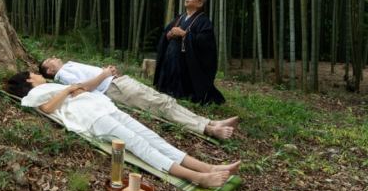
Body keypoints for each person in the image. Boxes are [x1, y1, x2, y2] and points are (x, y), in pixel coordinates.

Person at [7, 71, 241, 188]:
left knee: (154, 139)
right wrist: (68, 90)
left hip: (105, 109)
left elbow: (74, 91)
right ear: (29, 80)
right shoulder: (35, 92)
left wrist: (75, 89)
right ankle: (198, 178)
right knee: (143, 147)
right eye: (34, 73)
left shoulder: (49, 85)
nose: (38, 74)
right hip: (94, 119)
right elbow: (47, 108)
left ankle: (209, 167)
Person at [39, 57, 237, 139]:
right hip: (115, 89)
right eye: (51, 59)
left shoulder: (66, 68)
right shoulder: (62, 74)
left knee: (165, 101)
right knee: (161, 105)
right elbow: (83, 88)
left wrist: (107, 72)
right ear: (50, 69)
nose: (55, 57)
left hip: (117, 83)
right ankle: (207, 129)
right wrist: (106, 74)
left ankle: (210, 122)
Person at [154, 0, 225, 104]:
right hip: (171, 58)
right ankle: (167, 89)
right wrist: (169, 34)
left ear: (200, 3)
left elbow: (205, 44)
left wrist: (184, 34)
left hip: (187, 63)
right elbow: (165, 34)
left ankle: (186, 94)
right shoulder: (179, 18)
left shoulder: (204, 22)